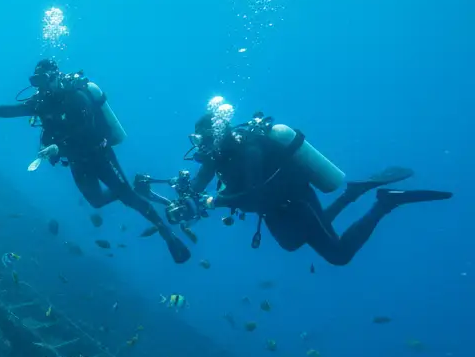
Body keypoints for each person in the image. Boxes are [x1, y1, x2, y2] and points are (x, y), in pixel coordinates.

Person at [0, 59, 191, 263]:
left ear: (56, 76)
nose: (40, 86)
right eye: (36, 81)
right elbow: (14, 110)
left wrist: (59, 147)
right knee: (96, 201)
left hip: (99, 154)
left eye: (44, 79)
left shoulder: (76, 96)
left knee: (129, 198)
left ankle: (164, 231)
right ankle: (136, 185)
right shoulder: (41, 101)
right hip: (76, 161)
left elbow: (86, 129)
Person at [179, 104, 452, 266]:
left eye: (203, 138)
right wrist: (185, 196)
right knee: (292, 244)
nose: (200, 145)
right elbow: (200, 182)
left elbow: (257, 196)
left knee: (339, 255)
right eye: (198, 139)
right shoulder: (218, 155)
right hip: (276, 210)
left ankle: (385, 203)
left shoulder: (250, 150)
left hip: (297, 202)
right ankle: (351, 195)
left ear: (218, 134)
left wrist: (216, 202)